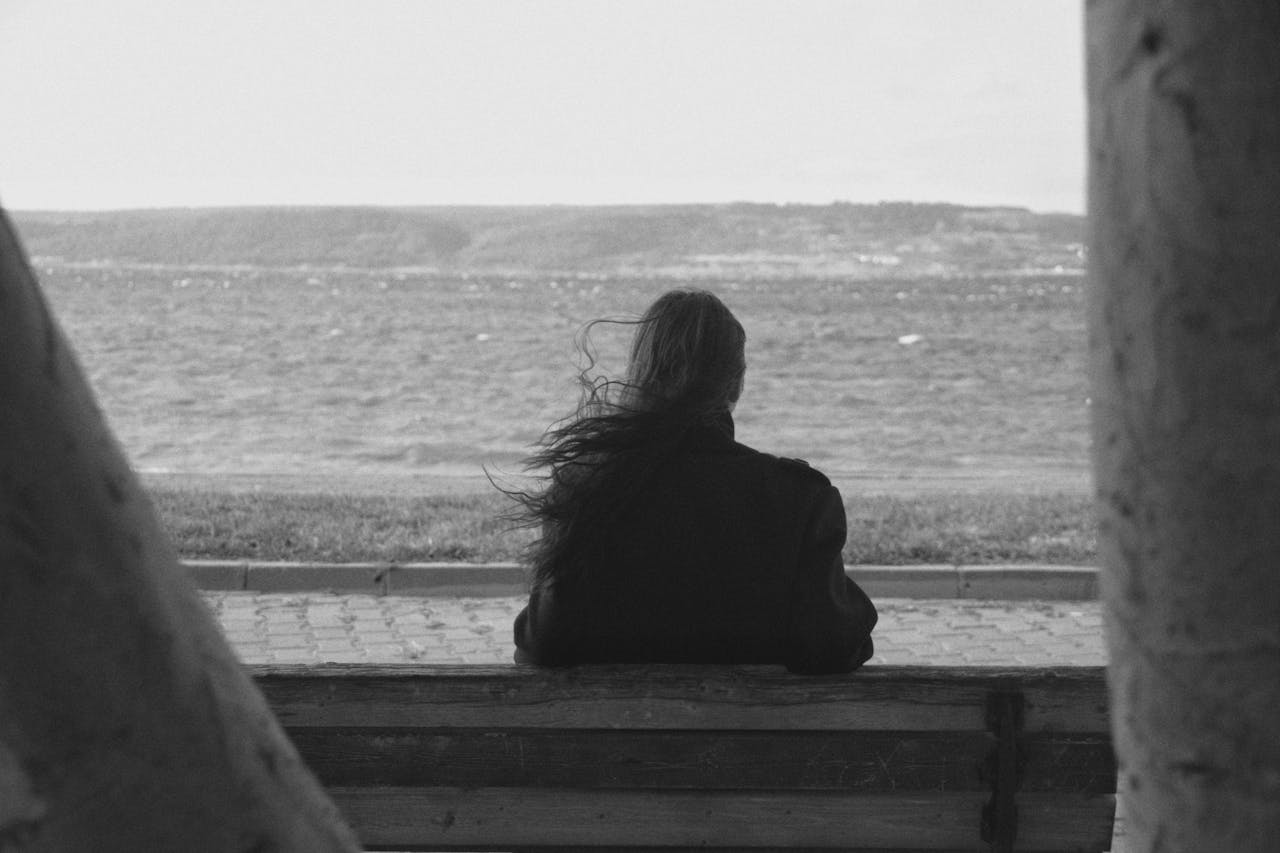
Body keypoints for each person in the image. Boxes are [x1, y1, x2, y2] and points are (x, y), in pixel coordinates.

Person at [503, 289, 877, 673]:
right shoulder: (798, 499)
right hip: (746, 714)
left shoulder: (583, 486)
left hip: (616, 714)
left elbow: (542, 645)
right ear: (735, 384)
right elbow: (832, 645)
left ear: (639, 376)